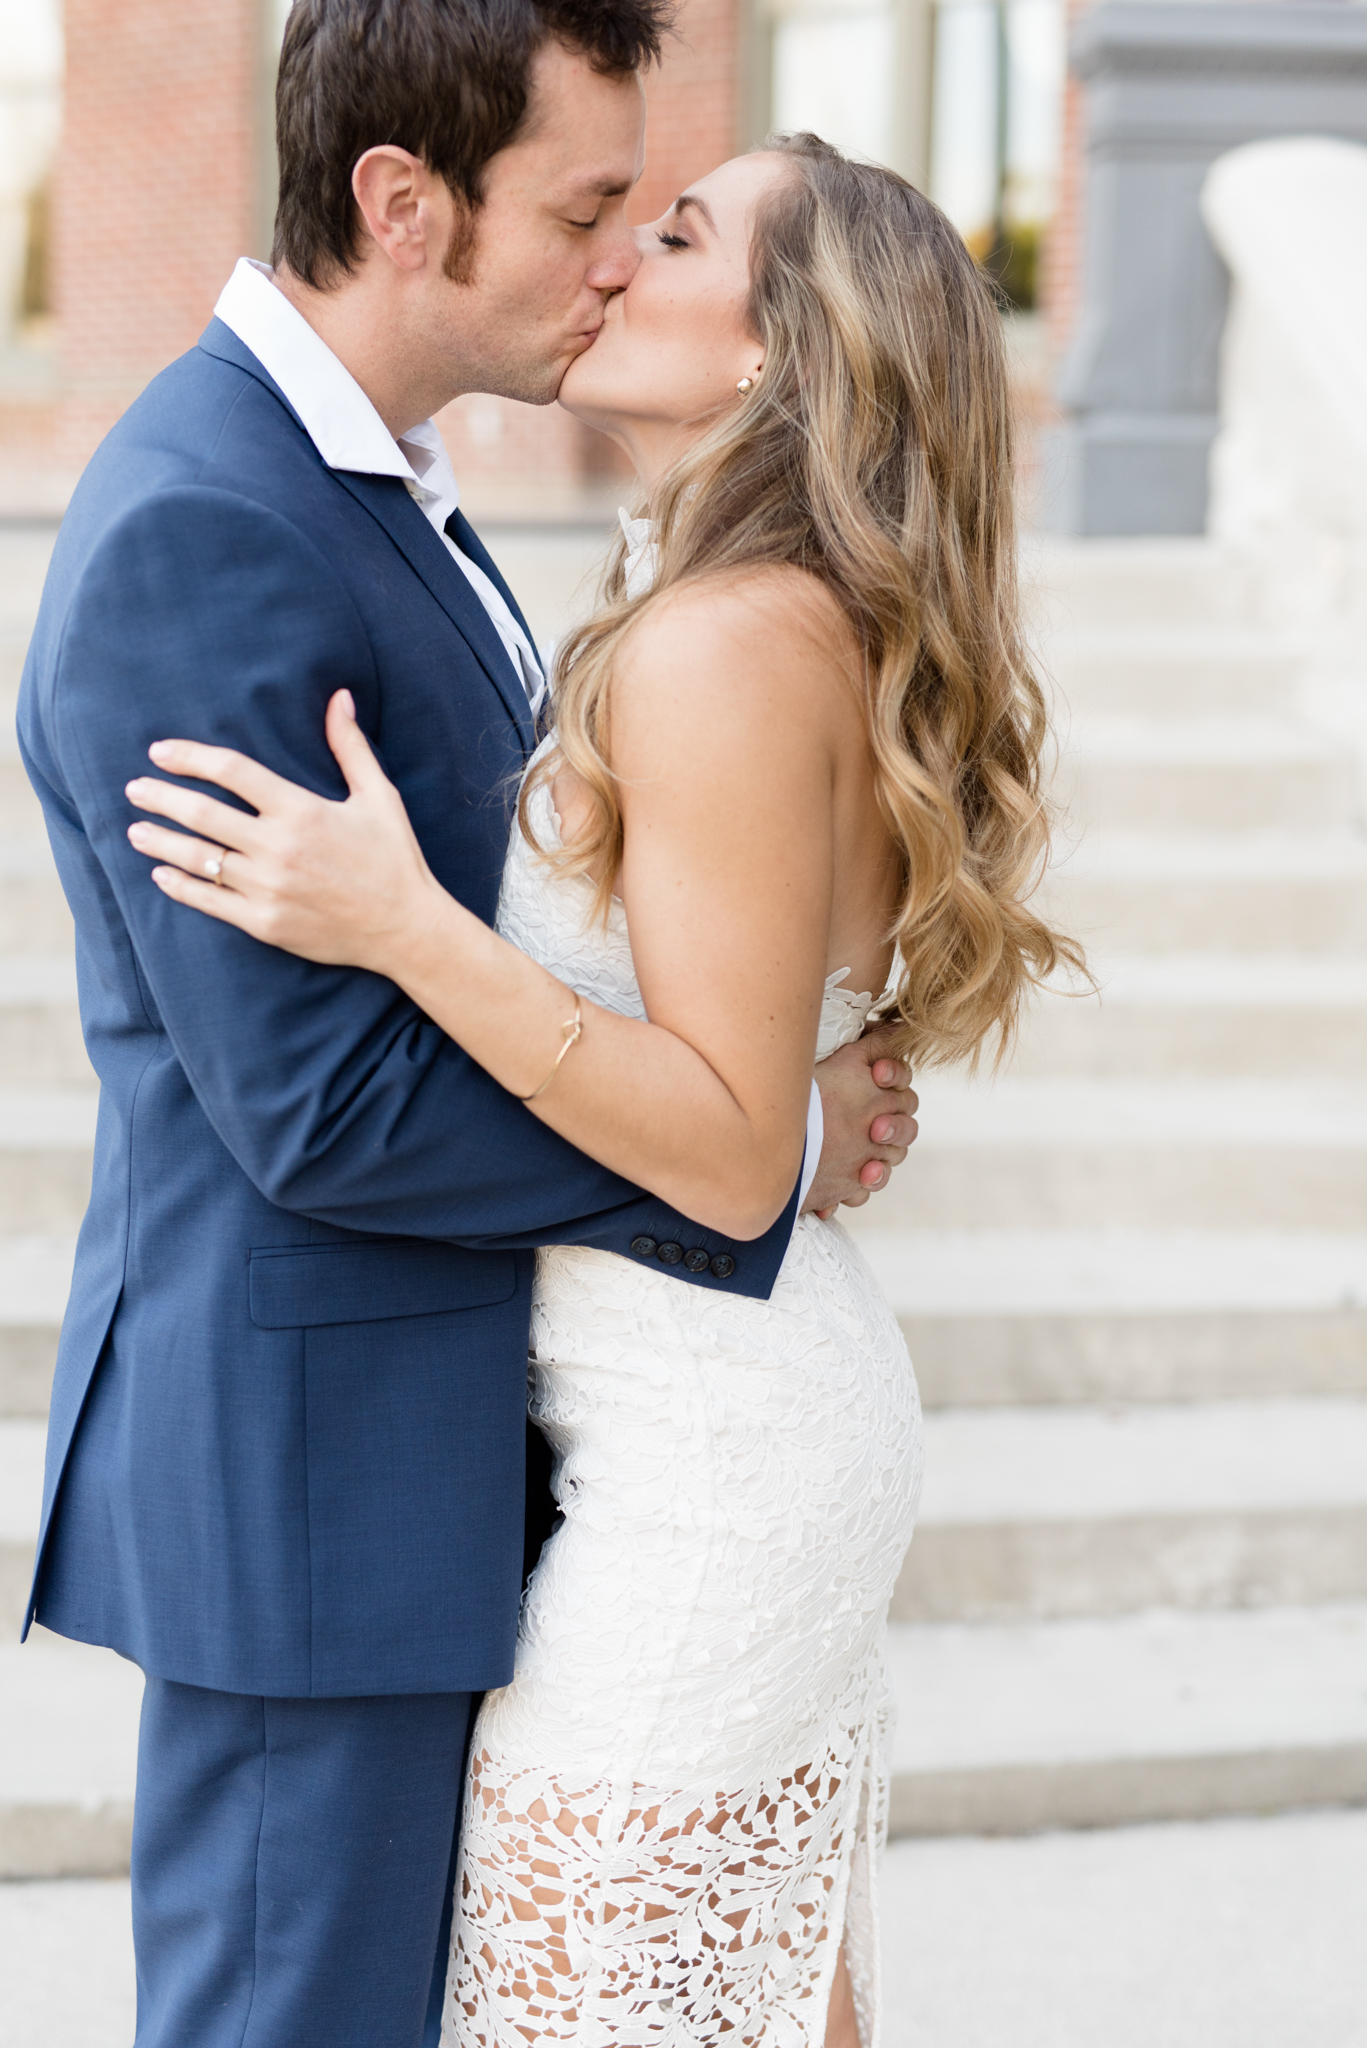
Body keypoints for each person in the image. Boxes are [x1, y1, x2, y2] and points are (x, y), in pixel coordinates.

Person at [15, 10, 919, 2048]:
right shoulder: (206, 522)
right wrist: (737, 1149)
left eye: (645, 219)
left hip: (459, 1466)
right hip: (312, 1498)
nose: (614, 259)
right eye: (589, 208)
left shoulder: (400, 493)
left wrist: (762, 1083)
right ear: (405, 206)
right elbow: (314, 1106)